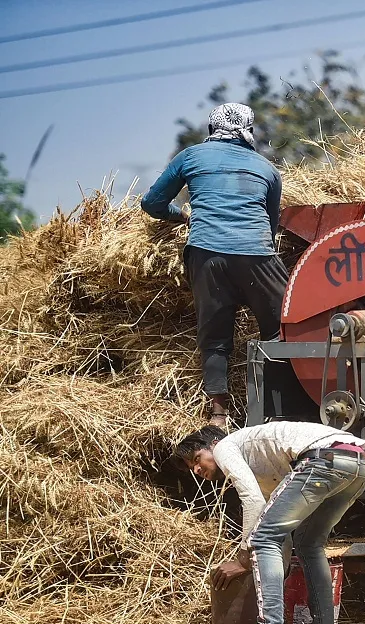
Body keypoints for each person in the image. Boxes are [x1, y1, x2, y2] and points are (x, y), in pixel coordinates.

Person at [141, 103, 286, 427]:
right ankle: (278, 410)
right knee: (282, 328)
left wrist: (182, 215)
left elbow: (151, 203)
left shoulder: (190, 157)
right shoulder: (266, 169)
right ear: (250, 131)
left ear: (211, 129)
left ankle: (218, 416)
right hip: (257, 255)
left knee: (215, 337)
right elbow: (271, 224)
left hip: (206, 254)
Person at [175, 422, 365, 624]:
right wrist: (277, 571)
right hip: (357, 464)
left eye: (197, 459)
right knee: (309, 544)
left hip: (322, 460)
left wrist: (243, 560)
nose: (197, 469)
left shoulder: (224, 447)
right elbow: (280, 533)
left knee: (261, 537)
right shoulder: (267, 467)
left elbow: (254, 504)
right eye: (191, 468)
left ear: (213, 445)